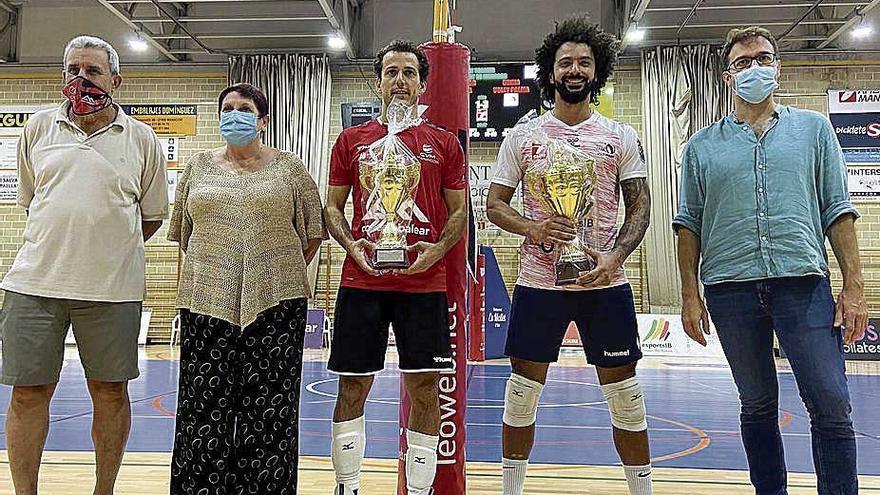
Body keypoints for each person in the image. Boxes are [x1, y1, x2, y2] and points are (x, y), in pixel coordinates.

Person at [674, 26, 866, 495]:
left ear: (777, 68)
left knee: (830, 402)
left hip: (803, 285)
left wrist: (855, 284)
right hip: (730, 291)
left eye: (764, 58)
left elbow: (837, 210)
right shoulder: (700, 147)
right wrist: (688, 296)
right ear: (727, 76)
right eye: (744, 62)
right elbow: (688, 224)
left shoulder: (814, 130)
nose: (755, 68)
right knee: (757, 405)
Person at [486, 15, 654, 495]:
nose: (575, 69)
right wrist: (534, 228)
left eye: (584, 62)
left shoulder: (619, 135)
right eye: (565, 63)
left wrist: (616, 256)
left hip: (605, 282)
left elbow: (640, 206)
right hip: (540, 284)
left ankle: (641, 490)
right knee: (521, 393)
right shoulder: (523, 136)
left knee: (625, 394)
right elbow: (495, 204)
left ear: (596, 71)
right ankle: (511, 490)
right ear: (551, 71)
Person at [0, 35, 168, 495]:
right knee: (27, 394)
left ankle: (103, 491)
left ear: (115, 80)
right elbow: (33, 201)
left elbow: (151, 216)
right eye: (73, 69)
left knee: (110, 394)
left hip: (112, 294)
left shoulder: (142, 138)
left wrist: (107, 249)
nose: (81, 79)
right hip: (34, 286)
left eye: (92, 71)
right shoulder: (37, 128)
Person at [324, 39, 468, 495]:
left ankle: (421, 489)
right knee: (353, 387)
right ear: (379, 81)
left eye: (409, 72)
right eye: (391, 72)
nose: (400, 80)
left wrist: (438, 250)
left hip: (424, 282)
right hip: (362, 279)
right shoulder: (352, 140)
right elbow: (332, 207)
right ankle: (347, 486)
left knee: (426, 389)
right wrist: (353, 245)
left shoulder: (443, 143)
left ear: (423, 83)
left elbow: (460, 211)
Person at [167, 83, 325, 495]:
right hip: (205, 301)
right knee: (203, 408)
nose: (234, 115)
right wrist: (220, 268)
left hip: (277, 304)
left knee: (271, 410)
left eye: (244, 109)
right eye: (228, 108)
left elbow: (311, 236)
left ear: (262, 120)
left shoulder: (290, 168)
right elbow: (185, 235)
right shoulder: (196, 167)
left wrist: (268, 269)